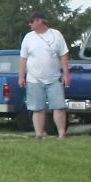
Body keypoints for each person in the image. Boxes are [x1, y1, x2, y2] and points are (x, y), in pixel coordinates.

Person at [17, 11, 71, 140]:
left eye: (32, 21)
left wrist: (66, 74)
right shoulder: (28, 37)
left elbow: (63, 54)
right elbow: (23, 58)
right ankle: (39, 134)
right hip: (34, 79)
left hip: (54, 78)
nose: (30, 24)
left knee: (59, 107)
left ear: (39, 21)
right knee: (37, 108)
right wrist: (21, 76)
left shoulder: (56, 35)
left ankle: (61, 133)